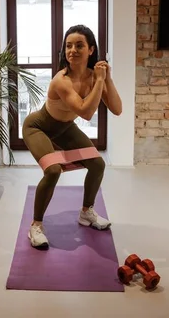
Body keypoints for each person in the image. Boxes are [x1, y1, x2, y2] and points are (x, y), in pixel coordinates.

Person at [22, 24, 122, 249]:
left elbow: (117, 109)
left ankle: (86, 212)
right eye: (68, 46)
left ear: (91, 49)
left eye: (79, 45)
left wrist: (108, 78)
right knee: (53, 170)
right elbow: (86, 113)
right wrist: (99, 81)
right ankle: (36, 225)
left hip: (65, 128)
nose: (72, 50)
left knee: (97, 164)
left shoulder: (92, 77)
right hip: (39, 127)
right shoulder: (61, 80)